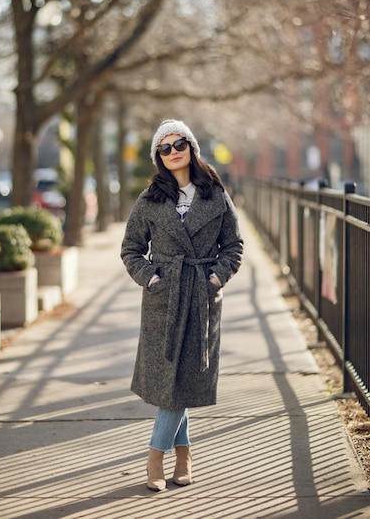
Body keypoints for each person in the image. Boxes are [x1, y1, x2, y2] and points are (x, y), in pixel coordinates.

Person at [121, 119, 243, 491]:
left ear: (192, 147)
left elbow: (233, 247)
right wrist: (152, 279)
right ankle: (179, 453)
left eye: (179, 144)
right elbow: (130, 249)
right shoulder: (150, 200)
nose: (173, 152)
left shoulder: (216, 195)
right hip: (164, 300)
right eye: (165, 147)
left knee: (182, 379)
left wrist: (216, 277)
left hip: (202, 297)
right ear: (158, 156)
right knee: (172, 381)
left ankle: (158, 455)